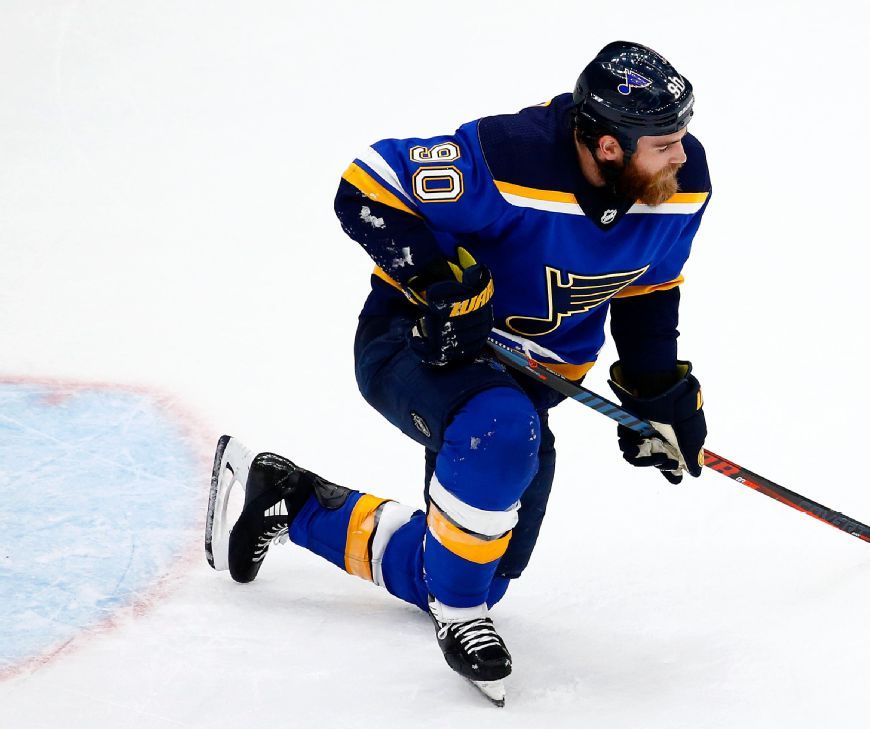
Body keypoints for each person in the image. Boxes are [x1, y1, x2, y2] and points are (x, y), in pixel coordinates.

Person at [204, 41, 711, 704]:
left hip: (526, 380)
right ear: (609, 146)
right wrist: (438, 283)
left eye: (681, 137)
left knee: (474, 563)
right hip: (417, 344)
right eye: (664, 143)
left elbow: (648, 289)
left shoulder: (677, 184)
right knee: (499, 436)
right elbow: (366, 186)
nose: (681, 154)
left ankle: (288, 498)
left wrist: (655, 391)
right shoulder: (510, 158)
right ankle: (461, 616)